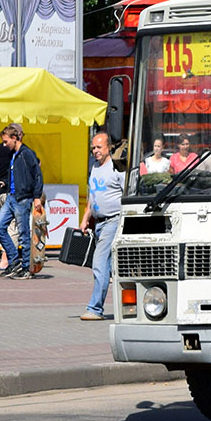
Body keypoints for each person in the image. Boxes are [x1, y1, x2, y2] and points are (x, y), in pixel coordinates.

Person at [80, 132, 124, 321]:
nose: (95, 151)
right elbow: (92, 196)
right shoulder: (94, 167)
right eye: (93, 147)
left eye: (99, 147)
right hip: (98, 223)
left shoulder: (117, 168)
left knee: (99, 264)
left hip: (113, 221)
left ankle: (95, 308)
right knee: (107, 267)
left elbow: (128, 193)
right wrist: (84, 219)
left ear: (109, 148)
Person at [0, 123, 44, 280]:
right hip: (11, 197)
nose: (4, 144)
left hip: (23, 199)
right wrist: (5, 184)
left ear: (14, 138)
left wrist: (36, 197)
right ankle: (14, 261)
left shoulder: (27, 153)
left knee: (23, 234)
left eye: (6, 141)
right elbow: (16, 176)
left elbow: (37, 175)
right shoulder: (13, 155)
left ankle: (26, 268)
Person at [0, 131, 18, 271]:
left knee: (2, 226)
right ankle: (7, 258)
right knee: (12, 226)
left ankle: (7, 257)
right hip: (9, 191)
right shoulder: (16, 151)